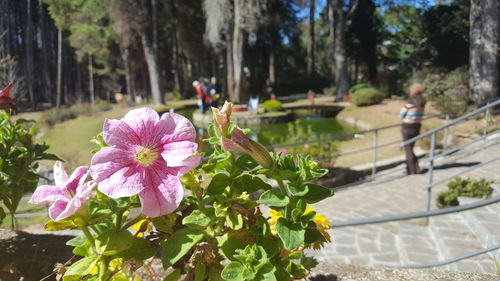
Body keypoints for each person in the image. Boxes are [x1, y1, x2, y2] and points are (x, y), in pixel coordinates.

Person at [400, 83, 426, 175]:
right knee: (410, 148)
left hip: (407, 126)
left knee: (408, 149)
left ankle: (413, 170)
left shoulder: (409, 103)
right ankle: (411, 168)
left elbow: (401, 115)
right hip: (417, 127)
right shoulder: (422, 103)